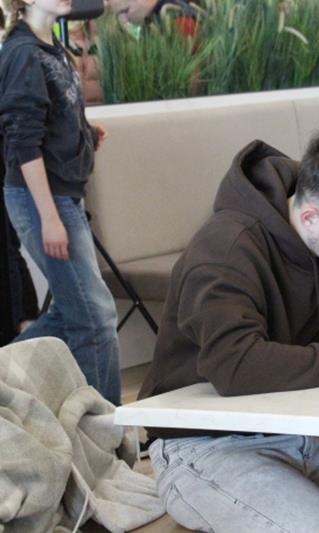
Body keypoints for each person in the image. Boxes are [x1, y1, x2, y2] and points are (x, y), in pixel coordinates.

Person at [138, 124, 319, 533]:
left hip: (293, 437)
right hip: (199, 447)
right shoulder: (225, 249)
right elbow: (235, 364)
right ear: (310, 217)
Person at [0, 0, 121, 403]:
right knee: (95, 320)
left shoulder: (50, 47)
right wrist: (49, 218)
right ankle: (104, 426)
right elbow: (22, 143)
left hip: (62, 195)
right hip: (44, 201)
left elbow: (48, 117)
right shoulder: (22, 53)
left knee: (72, 313)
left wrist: (82, 132)